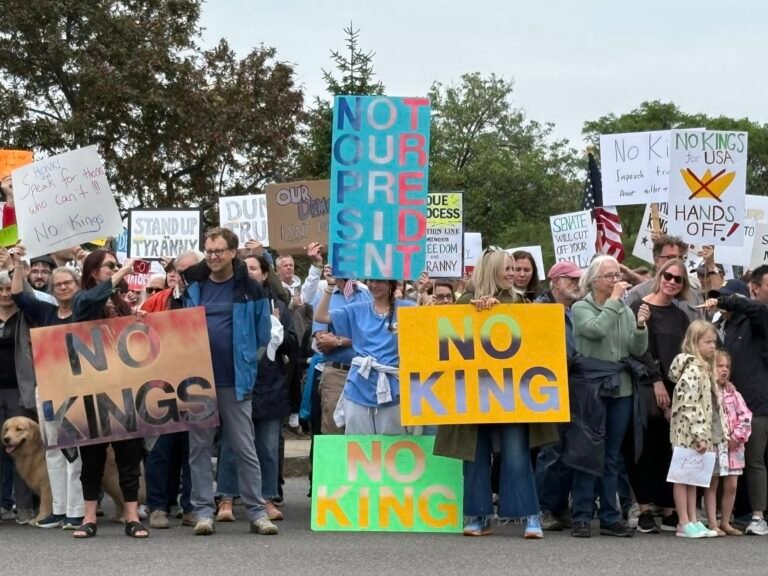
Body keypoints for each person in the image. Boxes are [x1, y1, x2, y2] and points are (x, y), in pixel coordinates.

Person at [433, 249, 555, 539]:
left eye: (515, 268)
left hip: (511, 394)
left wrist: (498, 308)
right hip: (472, 394)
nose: (513, 273)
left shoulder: (522, 301)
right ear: (491, 270)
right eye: (507, 268)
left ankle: (529, 516)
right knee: (475, 455)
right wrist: (473, 311)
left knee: (516, 454)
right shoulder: (464, 302)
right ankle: (478, 516)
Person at [180, 228, 277, 536]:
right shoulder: (193, 284)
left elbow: (263, 335)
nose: (213, 256)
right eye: (209, 251)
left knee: (244, 446)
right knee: (199, 448)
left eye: (219, 250)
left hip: (235, 381)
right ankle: (204, 512)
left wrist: (247, 362)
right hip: (197, 381)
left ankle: (257, 512)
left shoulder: (250, 288)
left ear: (234, 252)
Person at [569, 255, 649, 538]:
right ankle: (580, 515)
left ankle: (609, 516)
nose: (617, 281)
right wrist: (616, 302)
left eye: (618, 275)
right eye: (610, 276)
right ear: (594, 280)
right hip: (591, 386)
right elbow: (594, 330)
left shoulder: (625, 311)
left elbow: (635, 348)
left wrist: (640, 326)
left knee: (612, 455)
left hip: (622, 387)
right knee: (587, 450)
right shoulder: (581, 307)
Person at [71, 250, 148, 538]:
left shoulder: (118, 302)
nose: (117, 270)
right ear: (93, 272)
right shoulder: (83, 299)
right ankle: (89, 517)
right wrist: (123, 271)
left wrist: (136, 320)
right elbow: (89, 304)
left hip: (123, 386)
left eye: (117, 265)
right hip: (92, 388)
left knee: (129, 453)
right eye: (110, 266)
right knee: (92, 456)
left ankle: (131, 516)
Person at [10, 247, 85, 529]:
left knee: (73, 450)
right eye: (58, 284)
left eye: (68, 283)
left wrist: (80, 258)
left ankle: (76, 511)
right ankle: (58, 509)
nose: (63, 287)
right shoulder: (46, 311)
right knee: (53, 448)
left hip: (77, 389)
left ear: (77, 287)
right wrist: (18, 265)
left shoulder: (85, 310)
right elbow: (18, 294)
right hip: (49, 388)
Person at [628, 258, 692, 533]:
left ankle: (669, 508)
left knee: (671, 447)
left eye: (678, 279)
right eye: (668, 276)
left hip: (676, 387)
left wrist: (677, 388)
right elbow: (638, 348)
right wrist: (656, 381)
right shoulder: (639, 307)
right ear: (659, 275)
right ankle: (644, 508)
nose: (672, 282)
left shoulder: (681, 315)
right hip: (645, 385)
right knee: (644, 447)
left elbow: (684, 352)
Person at [140, 250, 202, 530]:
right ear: (174, 272)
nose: (185, 275)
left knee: (194, 449)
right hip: (160, 384)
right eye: (181, 270)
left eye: (192, 270)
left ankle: (191, 506)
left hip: (197, 383)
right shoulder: (157, 301)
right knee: (159, 450)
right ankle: (157, 507)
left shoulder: (207, 297)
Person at [705, 279, 768, 536]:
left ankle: (758, 516)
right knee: (729, 462)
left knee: (754, 460)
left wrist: (723, 301)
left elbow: (755, 309)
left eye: (729, 298)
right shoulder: (723, 325)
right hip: (728, 404)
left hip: (756, 403)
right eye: (721, 297)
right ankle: (731, 513)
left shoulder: (757, 319)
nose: (723, 302)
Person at [314, 277, 415, 435]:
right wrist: (330, 285)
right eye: (370, 281)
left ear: (391, 283)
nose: (374, 285)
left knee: (393, 445)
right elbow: (321, 316)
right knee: (358, 445)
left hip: (393, 388)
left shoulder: (408, 309)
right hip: (359, 387)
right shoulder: (357, 309)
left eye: (379, 281)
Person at [534, 261, 583, 531]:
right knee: (551, 449)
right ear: (554, 282)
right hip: (548, 385)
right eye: (570, 279)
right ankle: (542, 508)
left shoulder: (575, 310)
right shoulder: (540, 310)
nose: (576, 283)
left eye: (578, 279)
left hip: (572, 384)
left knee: (567, 449)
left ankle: (558, 505)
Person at [667, 320, 725, 538]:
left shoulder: (703, 368)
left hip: (698, 432)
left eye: (714, 342)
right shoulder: (693, 370)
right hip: (687, 432)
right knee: (682, 476)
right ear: (694, 342)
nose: (712, 346)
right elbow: (689, 403)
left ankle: (692, 518)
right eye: (708, 342)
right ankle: (683, 521)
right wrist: (700, 434)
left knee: (693, 477)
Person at [0, 269, 39, 525]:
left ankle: (24, 507)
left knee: (21, 450)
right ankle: (4, 505)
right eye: (0, 290)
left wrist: (17, 266)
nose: (5, 294)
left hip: (18, 389)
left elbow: (29, 294)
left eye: (8, 290)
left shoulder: (27, 316)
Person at [704, 350, 751, 536]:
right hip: (714, 445)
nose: (724, 370)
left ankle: (725, 522)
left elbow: (746, 416)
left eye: (727, 367)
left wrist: (737, 436)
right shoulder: (708, 392)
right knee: (712, 484)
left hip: (734, 447)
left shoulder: (734, 394)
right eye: (719, 366)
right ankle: (712, 523)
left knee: (731, 485)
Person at [625, 234, 703, 319]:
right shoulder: (638, 293)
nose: (677, 262)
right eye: (671, 257)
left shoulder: (692, 293)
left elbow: (701, 328)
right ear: (656, 261)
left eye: (681, 258)